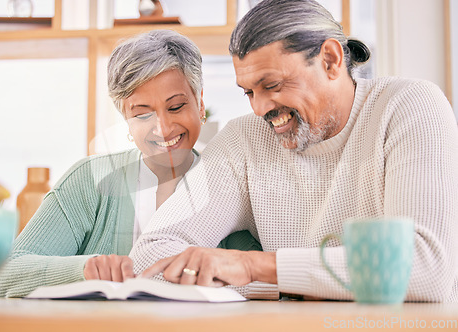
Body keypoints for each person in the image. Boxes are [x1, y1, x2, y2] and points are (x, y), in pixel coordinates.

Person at [131, 0, 458, 302]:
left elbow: (425, 269)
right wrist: (299, 285)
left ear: (330, 60)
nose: (259, 108)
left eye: (271, 86)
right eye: (248, 92)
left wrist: (256, 267)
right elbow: (150, 256)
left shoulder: (409, 107)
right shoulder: (245, 138)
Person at [0, 30, 261, 298]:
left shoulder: (229, 184)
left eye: (176, 107)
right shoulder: (90, 179)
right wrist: (86, 269)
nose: (163, 128)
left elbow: (262, 278)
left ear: (199, 103)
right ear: (125, 117)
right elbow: (9, 275)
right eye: (142, 114)